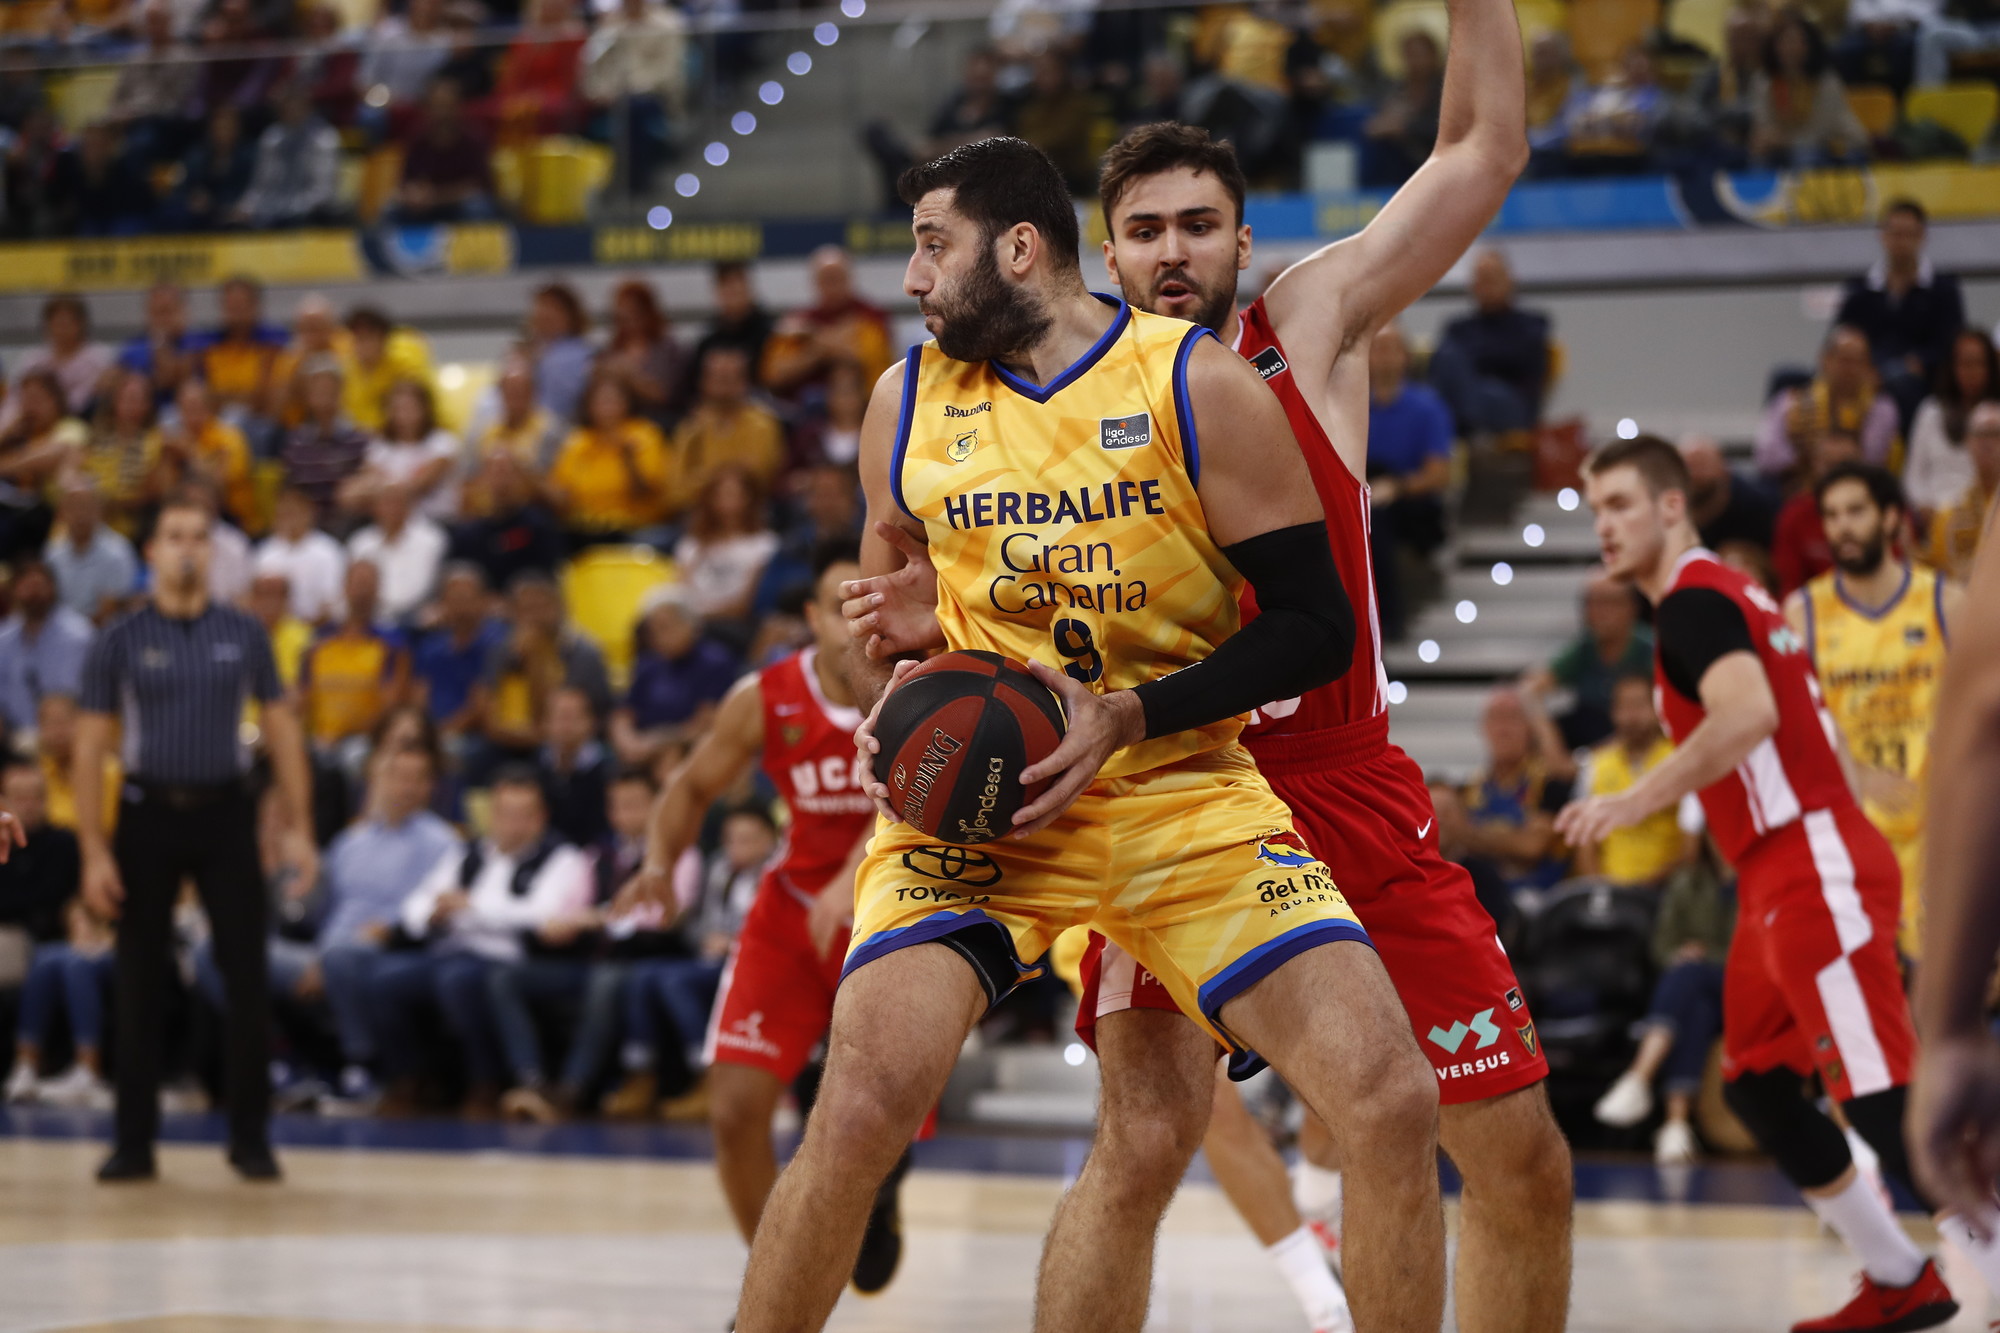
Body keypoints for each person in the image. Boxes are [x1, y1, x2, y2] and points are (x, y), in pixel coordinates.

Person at [855, 108, 1570, 1333]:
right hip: (1173, 787)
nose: (1171, 251)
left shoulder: (1304, 332)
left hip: (1340, 778)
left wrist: (1474, 17)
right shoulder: (1042, 391)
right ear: (1102, 254)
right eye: (1143, 231)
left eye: (1197, 225)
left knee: (1518, 1159)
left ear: (1242, 239)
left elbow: (1479, 151)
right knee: (1141, 1141)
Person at [732, 135, 1447, 1333]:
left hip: (1175, 787)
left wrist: (1124, 714)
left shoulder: (1197, 385)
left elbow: (1317, 627)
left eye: (933, 246)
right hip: (984, 812)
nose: (911, 278)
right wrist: (893, 682)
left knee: (1388, 1098)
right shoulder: (903, 402)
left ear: (1019, 249)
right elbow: (881, 644)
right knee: (856, 1109)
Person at [1556, 435, 1996, 1331]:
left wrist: (1634, 797)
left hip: (1810, 861)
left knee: (1881, 1092)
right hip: (1777, 870)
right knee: (1757, 1083)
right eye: (1596, 509)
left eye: (1621, 504)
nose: (1605, 525)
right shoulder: (1730, 593)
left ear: (1673, 506)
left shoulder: (1693, 600)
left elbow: (1750, 712)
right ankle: (1899, 1275)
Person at [614, 542, 894, 1278]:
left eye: (866, 604)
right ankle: (775, 1289)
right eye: (837, 605)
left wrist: (850, 877)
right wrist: (657, 862)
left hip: (893, 914)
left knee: (873, 1124)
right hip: (794, 913)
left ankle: (887, 1182)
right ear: (811, 616)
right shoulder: (766, 695)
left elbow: (912, 802)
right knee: (734, 1111)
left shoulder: (920, 684)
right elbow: (689, 786)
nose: (852, 621)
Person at [76, 491, 317, 1183]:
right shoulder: (118, 637)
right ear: (151, 552)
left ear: (212, 552)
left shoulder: (245, 632)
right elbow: (90, 746)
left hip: (225, 814)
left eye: (198, 537)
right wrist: (93, 849)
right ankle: (133, 1142)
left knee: (246, 976)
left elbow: (282, 730)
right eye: (174, 535)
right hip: (147, 812)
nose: (187, 548)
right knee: (138, 980)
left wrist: (301, 829)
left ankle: (251, 1138)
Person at [1787, 462, 1959, 960]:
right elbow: (1790, 728)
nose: (1842, 526)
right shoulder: (1802, 613)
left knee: (1940, 988)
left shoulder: (1945, 602)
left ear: (1890, 518)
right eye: (1831, 515)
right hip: (1850, 840)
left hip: (1937, 833)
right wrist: (1858, 773)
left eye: (1856, 511)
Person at [383, 768, 590, 1117]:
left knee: (457, 981)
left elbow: (544, 914)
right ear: (492, 815)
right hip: (451, 950)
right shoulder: (468, 853)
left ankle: (484, 1080)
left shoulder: (560, 857)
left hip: (511, 957)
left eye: (522, 814)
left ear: (540, 818)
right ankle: (409, 1077)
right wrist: (433, 913)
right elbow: (418, 902)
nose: (512, 824)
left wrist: (473, 906)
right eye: (505, 813)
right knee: (385, 979)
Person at [314, 740, 460, 1114]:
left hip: (390, 947)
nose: (406, 787)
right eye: (398, 777)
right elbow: (323, 909)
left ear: (430, 787)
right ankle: (284, 1067)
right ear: (377, 781)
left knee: (340, 957)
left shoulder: (443, 843)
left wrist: (387, 929)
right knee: (224, 955)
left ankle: (361, 1065)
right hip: (329, 945)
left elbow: (430, 913)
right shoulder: (350, 841)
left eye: (416, 779)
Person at [1591, 843, 1733, 1164]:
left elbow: (1758, 947)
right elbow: (1662, 944)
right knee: (1697, 1009)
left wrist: (1702, 956)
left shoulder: (1756, 879)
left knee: (1689, 974)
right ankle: (1676, 1125)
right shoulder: (1687, 881)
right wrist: (1679, 954)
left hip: (1746, 985)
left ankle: (1639, 1076)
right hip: (1699, 993)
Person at [0, 759, 98, 1109]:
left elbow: (52, 902)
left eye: (34, 797)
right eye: (19, 797)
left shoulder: (62, 842)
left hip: (40, 939)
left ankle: (28, 1065)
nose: (27, 805)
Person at [1836, 200, 1966, 429]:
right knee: (1787, 378)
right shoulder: (1859, 290)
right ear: (1882, 235)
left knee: (1902, 382)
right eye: (1896, 234)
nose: (1901, 242)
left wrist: (1919, 362)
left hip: (1922, 381)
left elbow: (1951, 345)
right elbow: (1840, 337)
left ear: (1922, 236)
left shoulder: (1944, 290)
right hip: (1864, 373)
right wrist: (1863, 368)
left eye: (1908, 234)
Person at [1364, 322, 1453, 642]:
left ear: (1406, 357)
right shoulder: (1353, 406)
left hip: (1413, 507)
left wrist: (1397, 488)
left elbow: (1439, 474)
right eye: (1377, 348)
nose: (1384, 357)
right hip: (1365, 497)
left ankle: (1389, 620)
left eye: (1391, 349)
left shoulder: (1428, 407)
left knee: (1377, 521)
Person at [1570, 674, 1697, 886]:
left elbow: (1689, 850)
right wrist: (1602, 890)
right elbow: (1583, 843)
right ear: (1613, 712)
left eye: (1639, 705)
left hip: (1665, 889)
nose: (1631, 716)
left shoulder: (1681, 761)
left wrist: (1645, 890)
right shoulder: (1595, 764)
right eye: (1624, 706)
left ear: (1658, 708)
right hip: (1607, 890)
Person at [475, 572, 611, 761]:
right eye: (526, 609)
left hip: (570, 743)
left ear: (561, 607)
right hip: (509, 740)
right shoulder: (502, 651)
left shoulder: (584, 652)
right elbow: (489, 713)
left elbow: (584, 716)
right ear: (513, 613)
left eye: (542, 606)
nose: (535, 617)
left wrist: (537, 664)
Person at [299, 560, 409, 786]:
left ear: (378, 590)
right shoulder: (319, 641)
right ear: (344, 587)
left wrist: (345, 734)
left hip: (364, 741)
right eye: (358, 583)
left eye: (368, 584)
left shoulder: (392, 644)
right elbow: (303, 695)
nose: (362, 591)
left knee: (352, 757)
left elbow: (391, 705)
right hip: (319, 738)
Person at [608, 584, 739, 768]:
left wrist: (656, 742)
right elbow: (623, 715)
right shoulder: (648, 663)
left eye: (665, 627)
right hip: (642, 750)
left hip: (688, 752)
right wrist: (628, 742)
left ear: (690, 624)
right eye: (653, 630)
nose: (659, 637)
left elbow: (706, 725)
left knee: (671, 760)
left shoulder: (714, 662)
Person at [1429, 248, 1552, 439]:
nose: (1487, 286)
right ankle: (1467, 428)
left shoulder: (1531, 324)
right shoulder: (1458, 327)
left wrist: (1474, 361)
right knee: (1447, 361)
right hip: (1466, 396)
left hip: (1512, 405)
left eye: (1492, 278)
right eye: (1481, 280)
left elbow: (1517, 361)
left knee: (1465, 382)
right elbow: (1440, 371)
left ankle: (1461, 430)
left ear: (1509, 281)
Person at [1522, 572, 1652, 750]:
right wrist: (1551, 744)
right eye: (1592, 603)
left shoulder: (1650, 651)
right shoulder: (1584, 649)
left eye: (1608, 602)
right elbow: (1532, 689)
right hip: (1592, 744)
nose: (1599, 612)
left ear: (1632, 607)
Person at [1758, 324, 1901, 479]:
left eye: (1858, 361)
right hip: (1799, 484)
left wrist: (1843, 457)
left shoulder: (1880, 407)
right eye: (1844, 360)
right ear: (1825, 359)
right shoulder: (1792, 400)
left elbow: (1875, 459)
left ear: (1868, 366)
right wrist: (1809, 458)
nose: (1850, 369)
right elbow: (1767, 457)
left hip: (1858, 484)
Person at [759, 246, 893, 408]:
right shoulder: (799, 320)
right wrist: (823, 348)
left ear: (850, 278)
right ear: (815, 282)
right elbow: (773, 374)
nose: (832, 286)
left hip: (863, 407)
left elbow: (877, 365)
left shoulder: (871, 317)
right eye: (826, 279)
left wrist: (814, 338)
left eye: (837, 278)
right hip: (805, 412)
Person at [547, 375, 672, 545]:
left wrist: (629, 462)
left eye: (612, 401)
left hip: (635, 528)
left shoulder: (645, 435)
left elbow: (649, 493)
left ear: (627, 403)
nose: (606, 407)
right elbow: (561, 494)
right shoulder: (577, 441)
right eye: (600, 401)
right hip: (586, 530)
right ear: (589, 406)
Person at [1750, 10, 1870, 167]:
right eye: (1783, 42)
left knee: (1805, 157)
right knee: (1758, 160)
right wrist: (1766, 139)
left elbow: (1820, 132)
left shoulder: (1827, 81)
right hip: (1783, 148)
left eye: (1795, 42)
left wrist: (1785, 141)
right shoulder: (1763, 80)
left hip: (1834, 146)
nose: (1789, 48)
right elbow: (1763, 123)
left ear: (1809, 46)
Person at [1904, 328, 1997, 528]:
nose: (1971, 372)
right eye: (1965, 363)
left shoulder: (1996, 415)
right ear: (1952, 366)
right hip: (1934, 517)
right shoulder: (1931, 411)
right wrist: (1925, 507)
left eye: (1979, 363)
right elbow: (1913, 477)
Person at [669, 345, 786, 503]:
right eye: (718, 378)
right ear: (703, 382)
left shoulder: (763, 424)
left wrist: (704, 478)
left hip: (752, 509)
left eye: (730, 378)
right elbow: (675, 488)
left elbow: (759, 479)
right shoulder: (690, 427)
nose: (723, 387)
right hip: (699, 510)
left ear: (745, 382)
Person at [410, 563, 504, 747]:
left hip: (476, 736)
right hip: (433, 732)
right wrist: (426, 730)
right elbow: (419, 696)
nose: (460, 607)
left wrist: (443, 733)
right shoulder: (431, 647)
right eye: (453, 599)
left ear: (483, 601)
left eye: (466, 599)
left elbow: (480, 707)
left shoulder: (496, 644)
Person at [343, 379, 460, 524]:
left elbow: (420, 485)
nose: (403, 415)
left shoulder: (442, 443)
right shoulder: (380, 446)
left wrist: (380, 487)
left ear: (425, 409)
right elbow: (351, 494)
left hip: (434, 520)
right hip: (387, 523)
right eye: (397, 408)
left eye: (409, 408)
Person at [673, 466, 779, 625]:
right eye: (720, 494)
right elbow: (681, 590)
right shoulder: (693, 542)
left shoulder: (764, 543)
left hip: (732, 624)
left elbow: (744, 604)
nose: (727, 502)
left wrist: (701, 616)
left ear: (750, 499)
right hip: (689, 622)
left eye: (734, 494)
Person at [0, 560, 95, 735]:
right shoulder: (4, 638)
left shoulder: (78, 635)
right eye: (27, 587)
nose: (34, 594)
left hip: (64, 735)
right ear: (14, 590)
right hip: (11, 737)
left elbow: (72, 698)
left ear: (53, 588)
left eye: (39, 586)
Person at [232, 83, 340, 229]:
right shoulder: (271, 138)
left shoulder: (324, 139)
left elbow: (323, 192)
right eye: (287, 107)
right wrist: (245, 207)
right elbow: (260, 185)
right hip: (270, 213)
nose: (291, 111)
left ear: (308, 108)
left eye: (296, 106)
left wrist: (291, 210)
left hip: (308, 214)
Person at [390, 78, 497, 225]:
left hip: (458, 204)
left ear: (459, 107)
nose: (442, 114)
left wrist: (436, 197)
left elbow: (479, 186)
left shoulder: (474, 139)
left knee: (478, 207)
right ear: (427, 109)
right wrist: (412, 194)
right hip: (424, 205)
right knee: (391, 208)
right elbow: (407, 181)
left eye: (447, 107)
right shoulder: (417, 139)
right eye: (437, 107)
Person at [152, 378, 254, 532]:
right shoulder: (173, 439)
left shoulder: (229, 437)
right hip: (182, 514)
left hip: (229, 515)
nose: (191, 413)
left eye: (197, 406)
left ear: (211, 407)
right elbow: (163, 493)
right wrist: (165, 460)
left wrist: (191, 453)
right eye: (186, 407)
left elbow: (219, 489)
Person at [1772, 428, 1865, 595]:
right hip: (1813, 606)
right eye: (1829, 464)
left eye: (1846, 464)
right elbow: (1788, 585)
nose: (1837, 472)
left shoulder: (1884, 513)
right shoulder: (1795, 515)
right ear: (1814, 465)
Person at [1, 294, 113, 429]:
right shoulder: (33, 359)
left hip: (82, 422)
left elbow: (89, 401)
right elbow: (14, 397)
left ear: (81, 324)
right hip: (33, 425)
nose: (62, 330)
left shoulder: (99, 358)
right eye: (57, 323)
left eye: (67, 323)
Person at [281, 358, 371, 525]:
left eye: (329, 388)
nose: (323, 394)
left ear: (340, 392)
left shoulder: (359, 440)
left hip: (349, 524)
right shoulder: (296, 442)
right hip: (307, 527)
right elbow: (290, 492)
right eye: (317, 389)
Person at [1924, 398, 2000, 580]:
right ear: (1968, 442)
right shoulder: (1947, 517)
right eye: (1980, 435)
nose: (1987, 443)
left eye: (1996, 434)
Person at [347, 487, 446, 626]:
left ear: (410, 506)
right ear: (375, 508)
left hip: (413, 616)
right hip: (370, 615)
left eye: (398, 502)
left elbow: (423, 588)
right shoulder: (360, 542)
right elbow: (352, 586)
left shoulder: (431, 539)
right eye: (386, 503)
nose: (392, 509)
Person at [45, 479, 137, 624]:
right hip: (62, 630)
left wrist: (76, 633)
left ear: (99, 511)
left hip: (106, 631)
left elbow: (111, 610)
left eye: (86, 506)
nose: (80, 514)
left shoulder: (118, 551)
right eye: (73, 507)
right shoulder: (53, 553)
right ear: (61, 514)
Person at [681, 262, 774, 404]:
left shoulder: (769, 335)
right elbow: (694, 384)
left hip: (758, 405)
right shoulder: (708, 339)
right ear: (717, 293)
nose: (732, 296)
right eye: (726, 289)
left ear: (748, 289)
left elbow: (772, 379)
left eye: (736, 289)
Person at [254, 486, 348, 624]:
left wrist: (304, 628)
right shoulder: (265, 552)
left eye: (293, 511)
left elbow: (332, 602)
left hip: (316, 628)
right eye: (283, 511)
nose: (288, 518)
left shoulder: (328, 551)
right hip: (272, 628)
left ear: (309, 512)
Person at [599, 279, 684, 424]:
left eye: (634, 313)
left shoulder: (667, 348)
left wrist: (629, 375)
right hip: (619, 421)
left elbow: (664, 395)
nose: (629, 321)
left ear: (648, 312)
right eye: (622, 316)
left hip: (659, 421)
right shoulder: (613, 348)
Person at [538, 684, 610, 849]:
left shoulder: (609, 771)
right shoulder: (535, 769)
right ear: (545, 723)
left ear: (591, 722)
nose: (566, 726)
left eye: (573, 717)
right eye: (560, 717)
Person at [38, 691, 120, 837]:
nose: (58, 732)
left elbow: (110, 824)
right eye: (49, 724)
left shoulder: (110, 771)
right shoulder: (36, 773)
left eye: (64, 722)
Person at [1681, 434, 1780, 552]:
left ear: (1723, 466)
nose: (1696, 473)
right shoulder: (1671, 506)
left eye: (1703, 464)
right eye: (1690, 465)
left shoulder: (1753, 505)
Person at [527, 283, 594, 425]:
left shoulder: (582, 355)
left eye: (553, 308)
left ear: (570, 315)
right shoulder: (527, 354)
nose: (545, 313)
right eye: (541, 306)